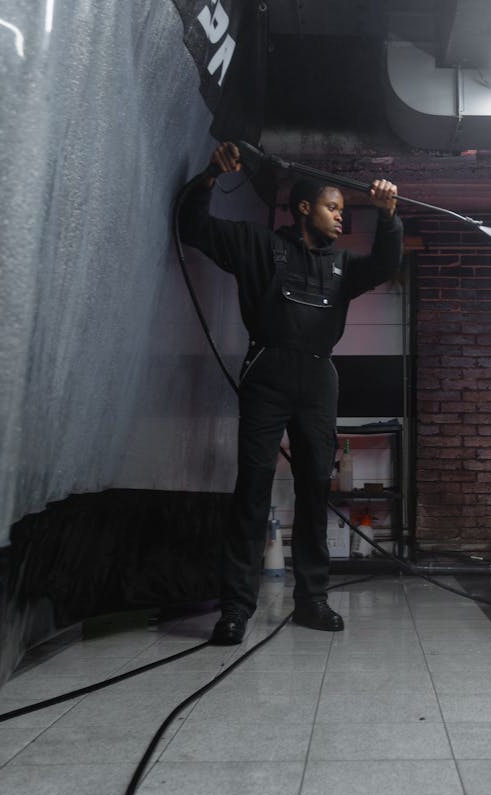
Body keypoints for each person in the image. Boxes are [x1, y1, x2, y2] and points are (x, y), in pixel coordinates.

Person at [178, 141, 402, 645]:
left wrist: (388, 217)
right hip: (267, 376)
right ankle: (235, 610)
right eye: (332, 207)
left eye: (343, 211)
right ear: (303, 208)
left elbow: (385, 264)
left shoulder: (343, 268)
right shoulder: (258, 246)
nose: (341, 218)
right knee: (252, 491)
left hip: (319, 381)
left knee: (313, 491)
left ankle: (312, 601)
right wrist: (211, 176)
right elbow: (195, 228)